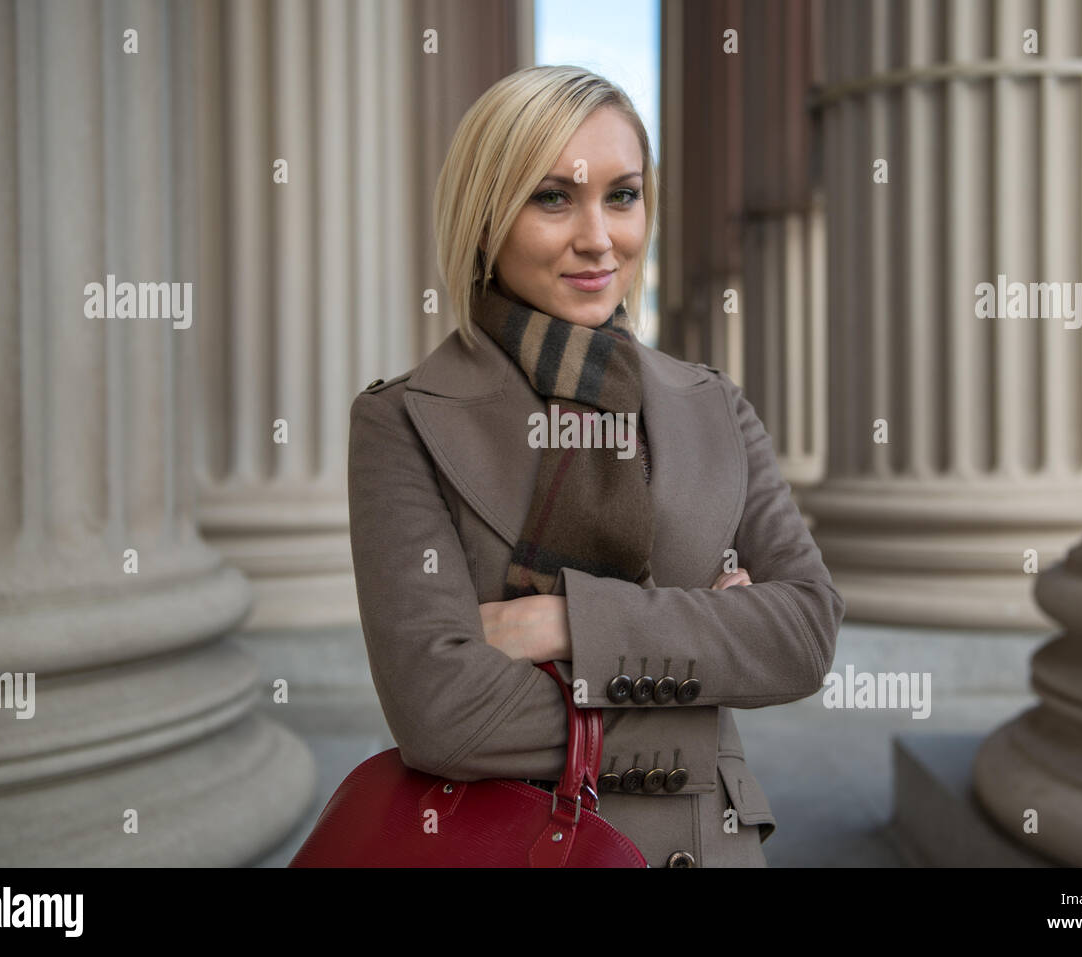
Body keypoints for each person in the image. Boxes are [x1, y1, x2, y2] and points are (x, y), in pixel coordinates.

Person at [347, 65, 844, 868]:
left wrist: (570, 623)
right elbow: (442, 712)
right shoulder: (402, 419)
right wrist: (702, 677)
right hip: (511, 846)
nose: (598, 237)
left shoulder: (713, 405)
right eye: (553, 197)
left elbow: (806, 631)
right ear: (483, 218)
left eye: (622, 195)